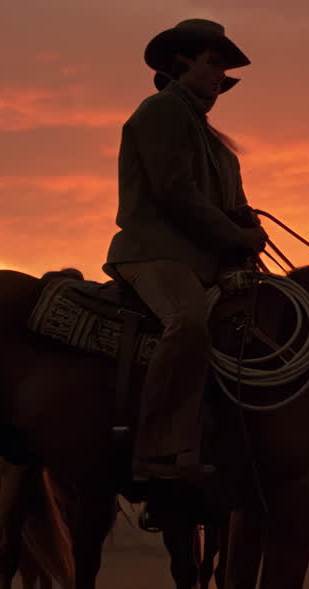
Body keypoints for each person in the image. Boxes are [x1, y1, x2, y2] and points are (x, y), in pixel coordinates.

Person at [104, 19, 269, 485]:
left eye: (225, 70)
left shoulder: (219, 147)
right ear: (182, 63)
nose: (221, 77)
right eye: (214, 63)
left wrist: (247, 225)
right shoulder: (161, 111)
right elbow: (175, 193)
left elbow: (230, 205)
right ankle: (153, 452)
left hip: (206, 261)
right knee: (188, 322)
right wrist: (236, 237)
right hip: (154, 251)